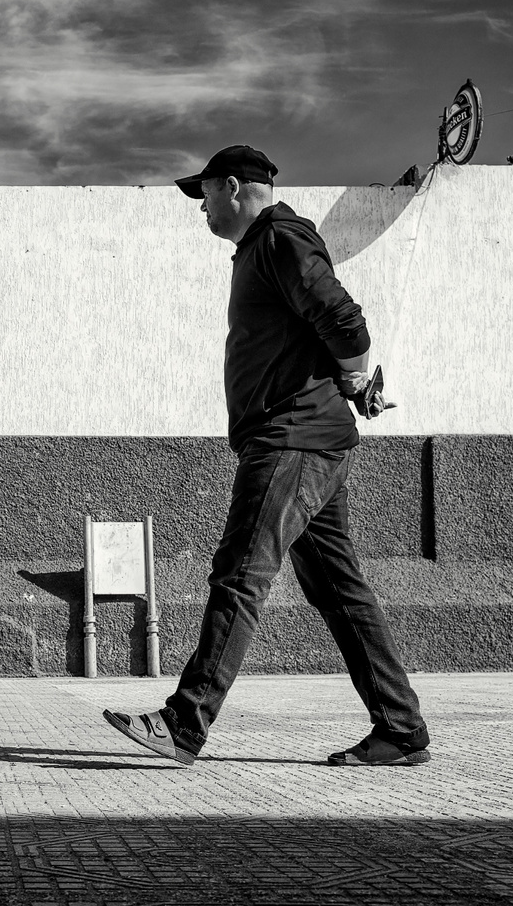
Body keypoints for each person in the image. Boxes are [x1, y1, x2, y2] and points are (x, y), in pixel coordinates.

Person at [103, 145, 430, 767]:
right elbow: (314, 330)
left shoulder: (280, 237)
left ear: (232, 186)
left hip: (291, 440)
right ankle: (401, 728)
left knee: (241, 574)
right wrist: (350, 382)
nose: (200, 207)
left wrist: (354, 373)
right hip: (307, 439)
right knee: (340, 591)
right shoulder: (263, 247)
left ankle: (184, 723)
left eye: (204, 193)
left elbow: (346, 324)